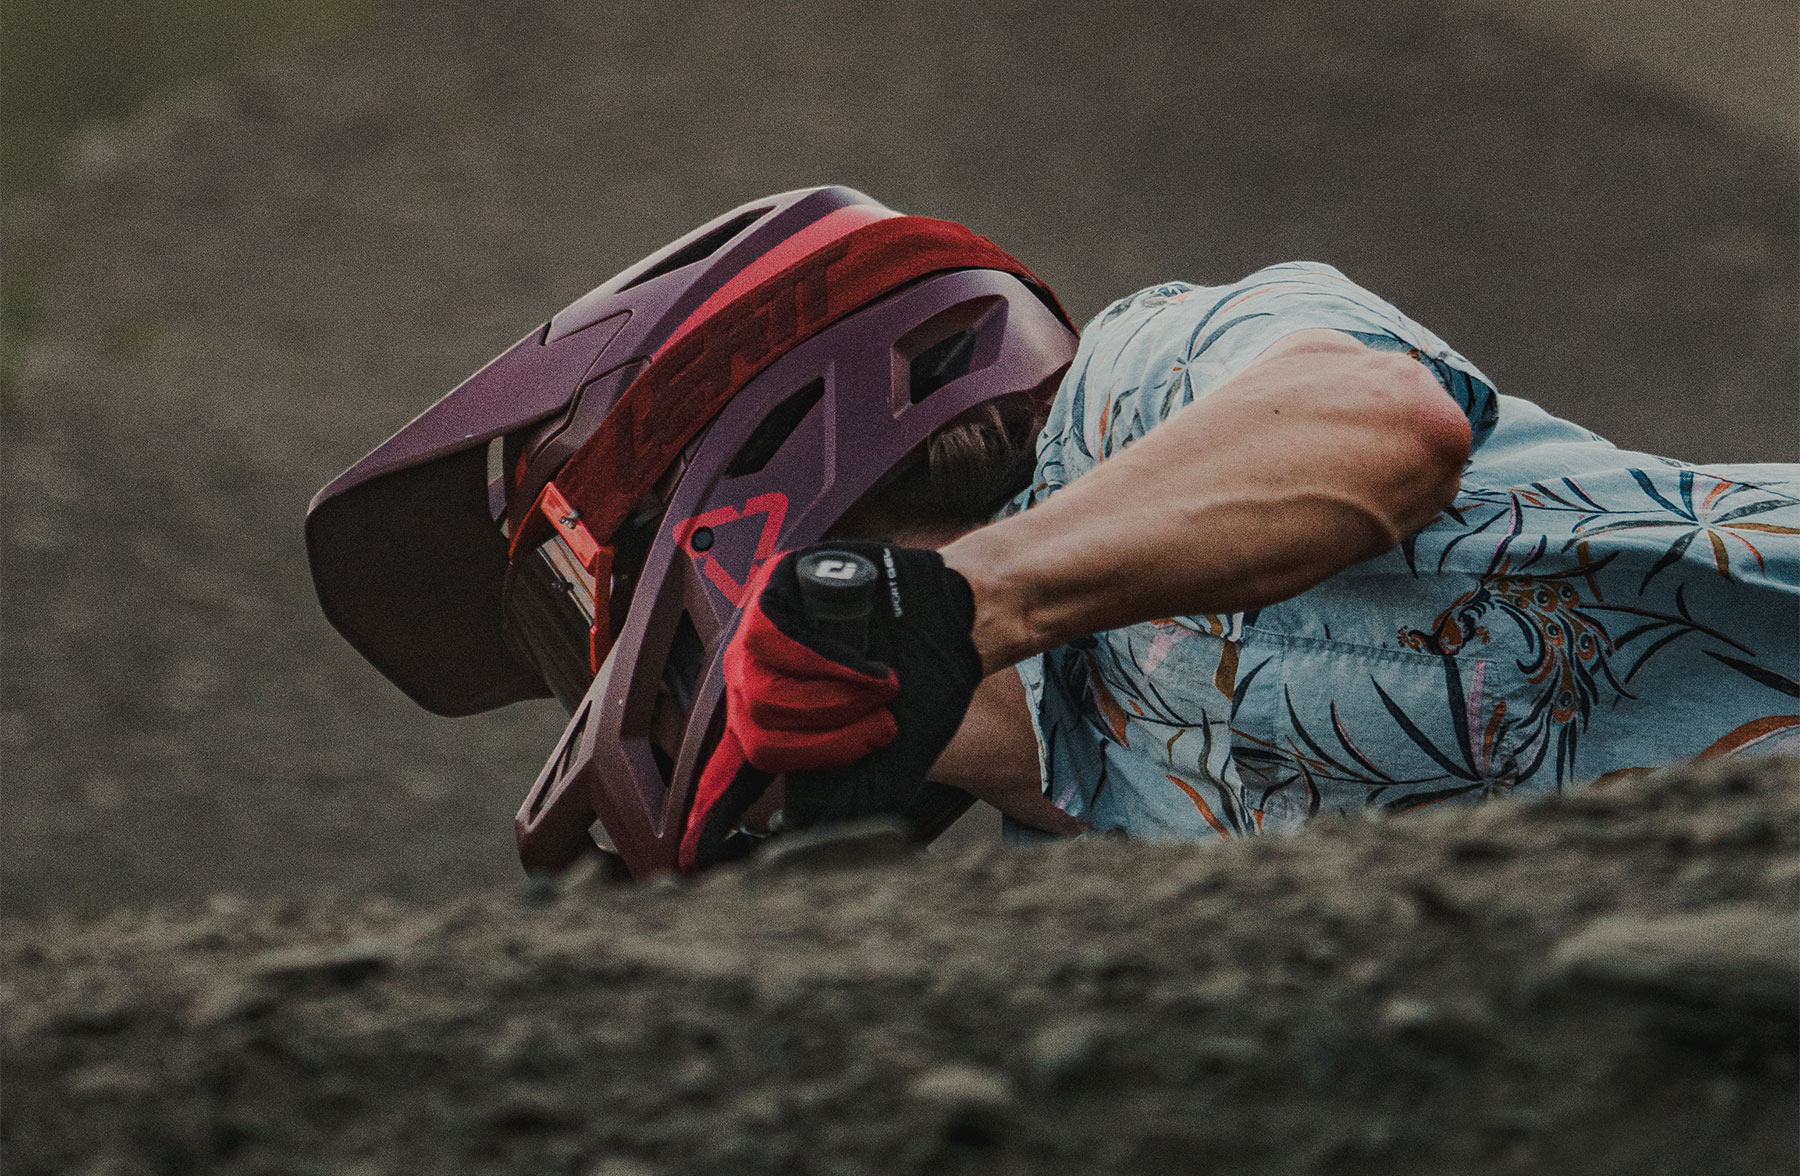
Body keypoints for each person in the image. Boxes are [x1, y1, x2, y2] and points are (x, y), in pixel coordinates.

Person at [306, 187, 1800, 879]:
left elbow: (1382, 430)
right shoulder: (1077, 876)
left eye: (587, 619)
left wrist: (958, 607)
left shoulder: (1144, 396)